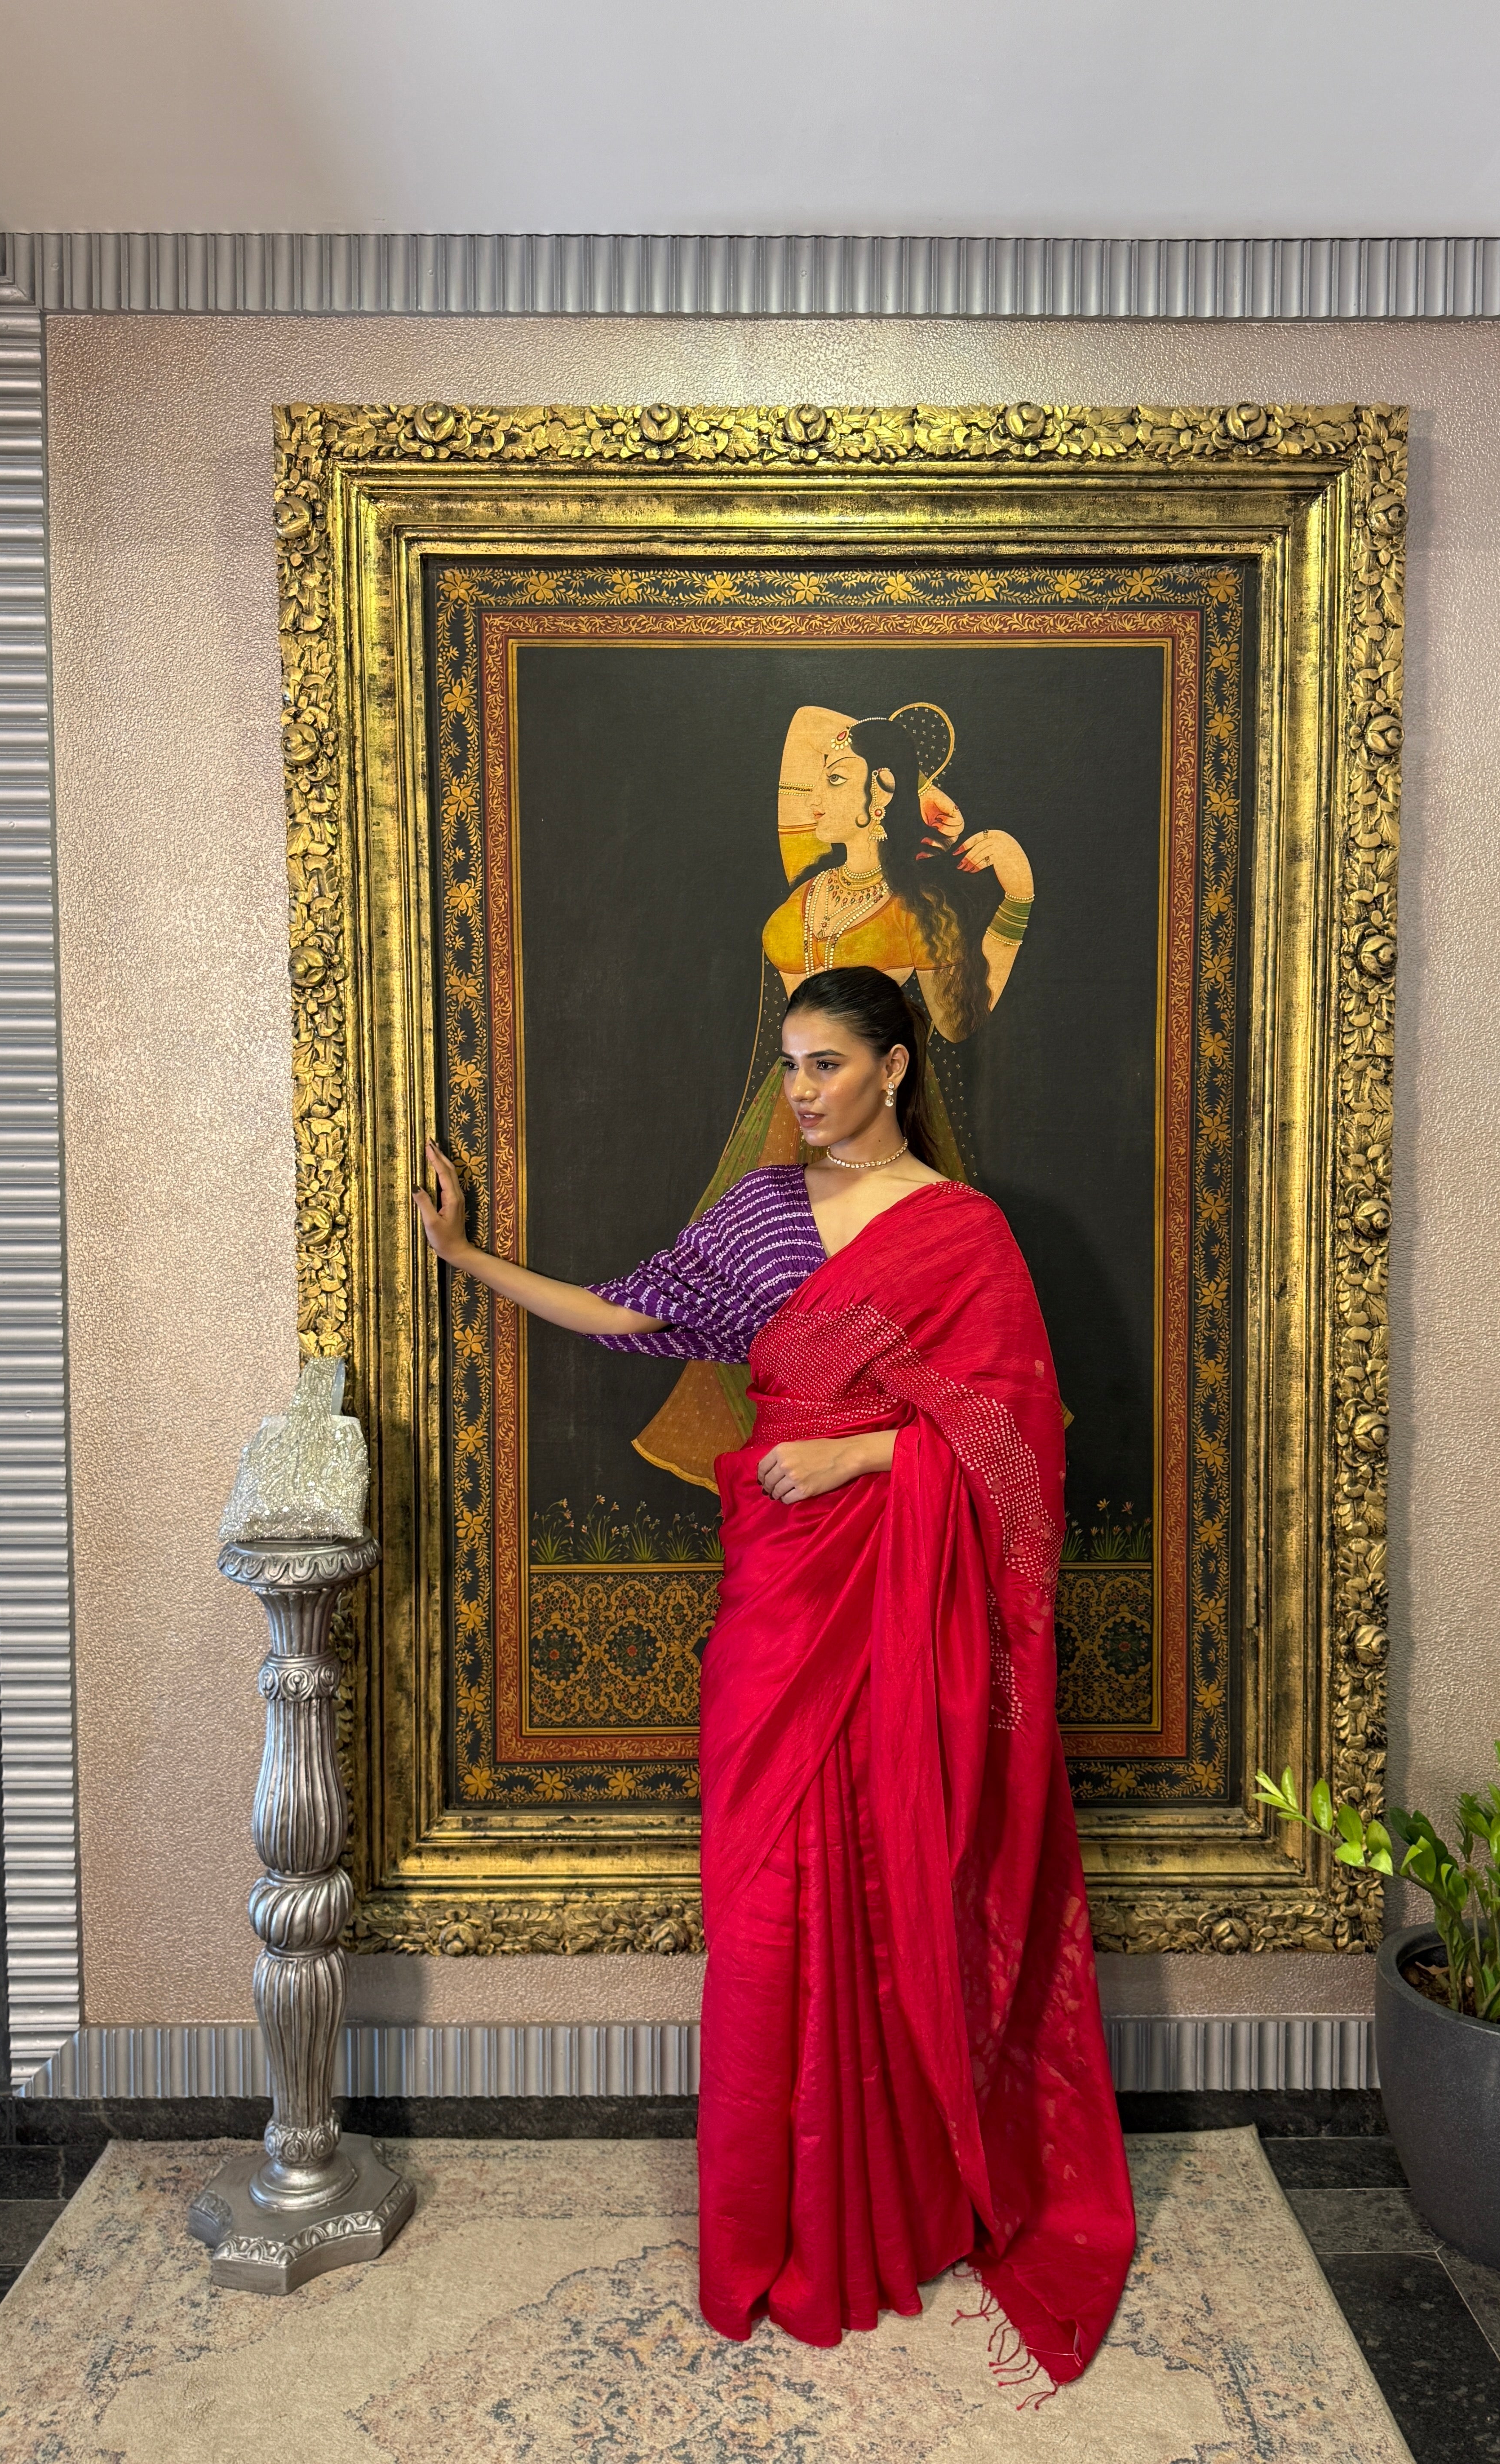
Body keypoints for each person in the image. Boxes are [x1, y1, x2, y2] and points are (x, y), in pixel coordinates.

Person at [414, 964, 1135, 2382]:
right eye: (791, 1066)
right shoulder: (758, 1214)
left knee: (891, 1874)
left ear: (895, 1067)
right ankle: (779, 2218)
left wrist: (872, 1452)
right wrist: (464, 1261)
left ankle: (904, 2205)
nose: (798, 1093)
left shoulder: (965, 1236)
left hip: (898, 1600)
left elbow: (1016, 1448)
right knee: (763, 1897)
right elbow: (631, 1316)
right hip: (779, 1595)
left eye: (823, 1066)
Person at [630, 705, 1040, 1491]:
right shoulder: (798, 909)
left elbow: (958, 1020)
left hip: (881, 1127)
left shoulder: (919, 908)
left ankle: (878, 1461)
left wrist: (1015, 898)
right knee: (779, 1314)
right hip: (792, 1135)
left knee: (899, 1329)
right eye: (818, 781)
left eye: (837, 780)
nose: (817, 800)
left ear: (882, 793)